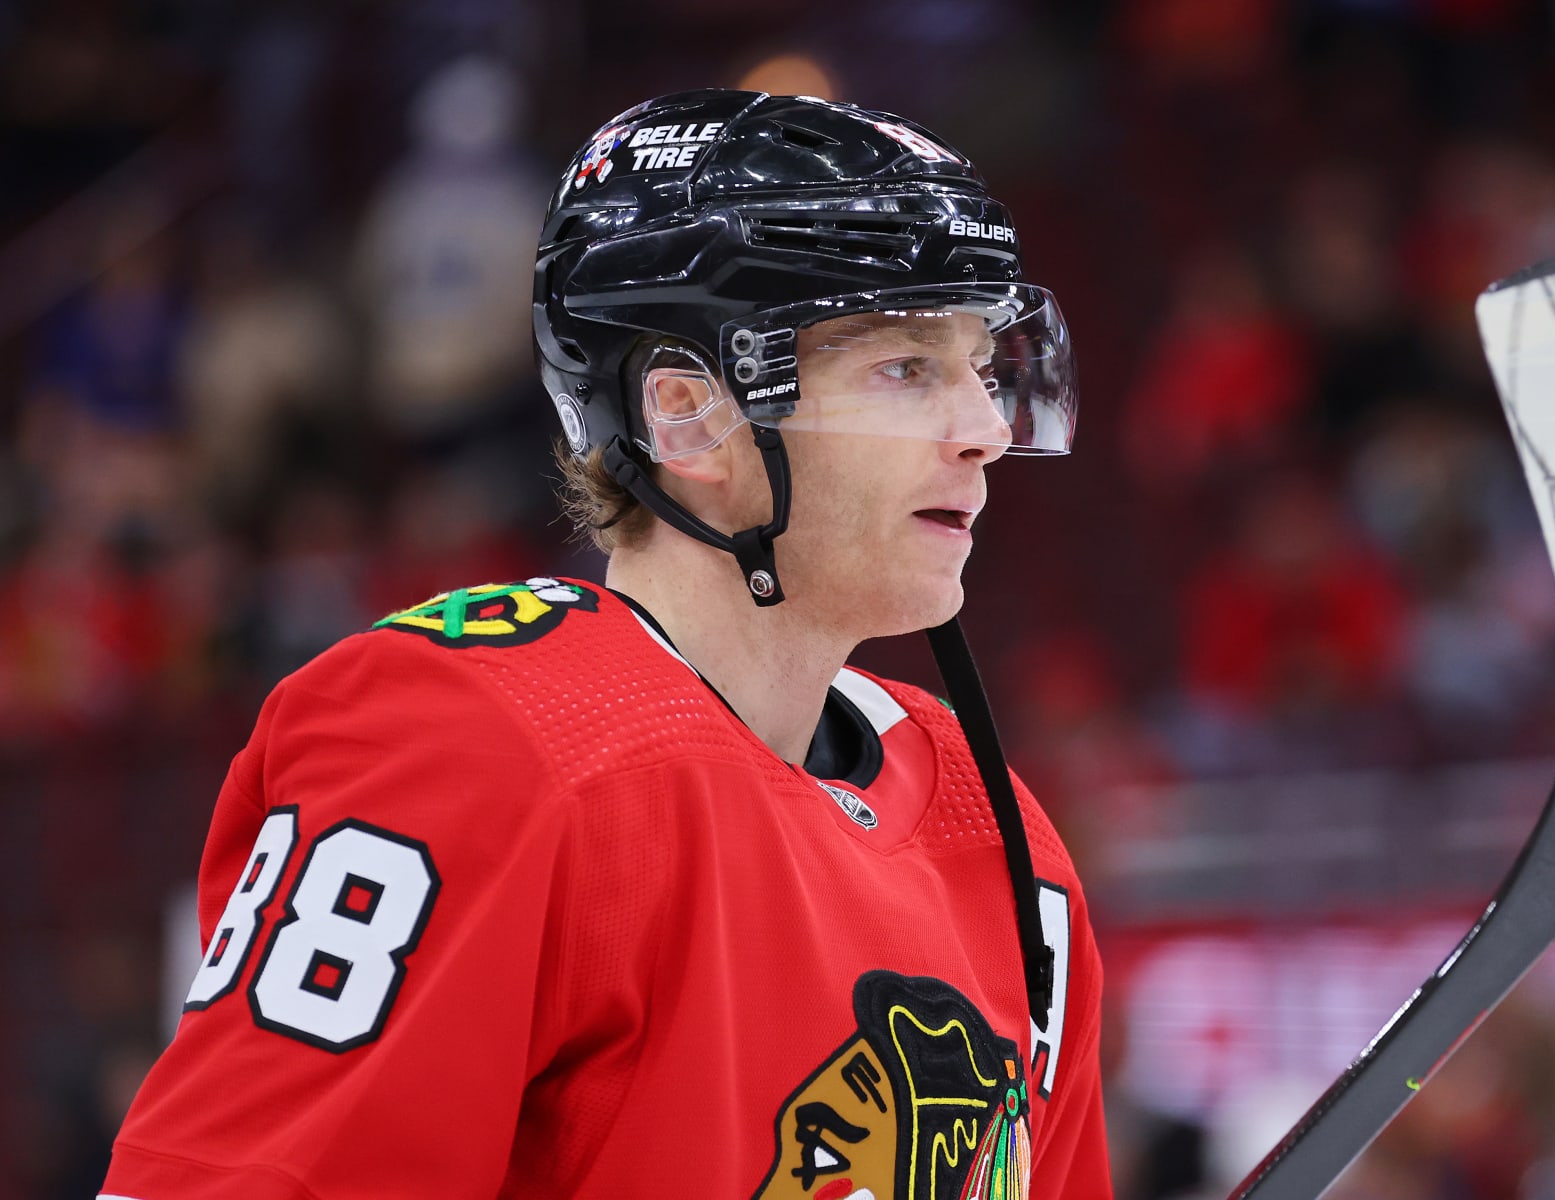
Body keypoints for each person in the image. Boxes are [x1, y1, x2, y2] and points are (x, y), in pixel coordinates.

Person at [100, 89, 1111, 1199]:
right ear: (691, 418)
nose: (982, 430)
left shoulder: (1009, 844)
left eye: (978, 364)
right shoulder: (467, 747)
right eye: (905, 368)